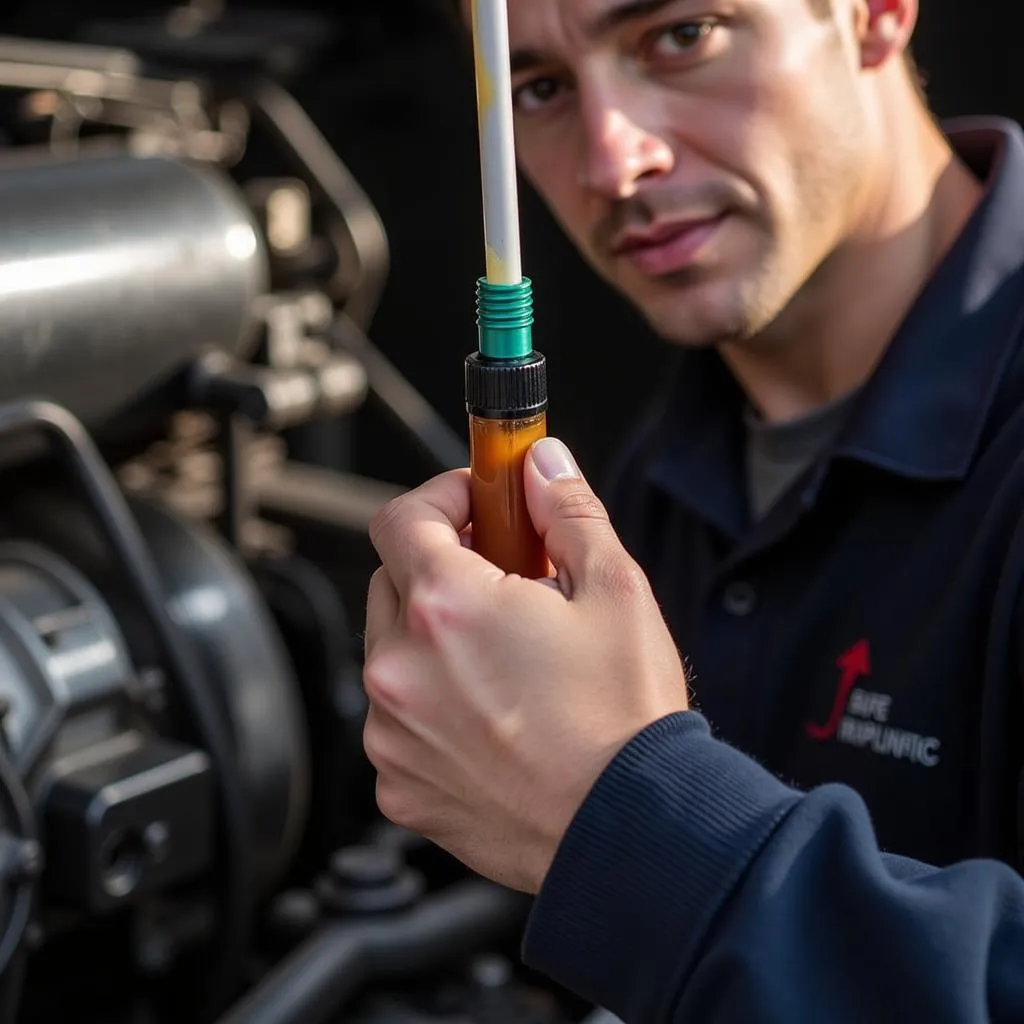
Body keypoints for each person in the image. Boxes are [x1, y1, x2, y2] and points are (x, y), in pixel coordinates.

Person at [363, 0, 1024, 1015]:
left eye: (679, 36)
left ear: (874, 15)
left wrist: (616, 813)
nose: (611, 162)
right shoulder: (645, 481)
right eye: (539, 87)